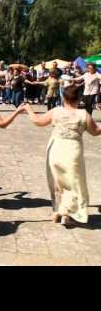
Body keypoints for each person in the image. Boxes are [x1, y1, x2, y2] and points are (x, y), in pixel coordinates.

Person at [22, 84, 101, 225]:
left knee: (59, 182)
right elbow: (95, 132)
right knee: (73, 183)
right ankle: (65, 213)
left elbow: (38, 121)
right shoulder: (84, 114)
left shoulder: (56, 111)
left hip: (56, 149)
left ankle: (60, 210)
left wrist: (28, 109)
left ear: (63, 97)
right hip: (73, 150)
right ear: (79, 98)